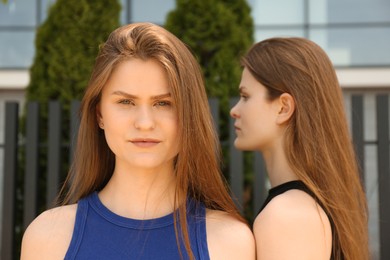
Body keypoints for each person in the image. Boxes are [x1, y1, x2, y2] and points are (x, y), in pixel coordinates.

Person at [21, 22, 255, 260]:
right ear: (99, 114)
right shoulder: (48, 238)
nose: (144, 123)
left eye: (164, 103)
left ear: (189, 114)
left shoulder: (230, 242)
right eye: (126, 102)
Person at [230, 37, 369, 260]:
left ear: (284, 107)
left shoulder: (286, 216)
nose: (234, 110)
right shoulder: (300, 208)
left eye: (245, 96)